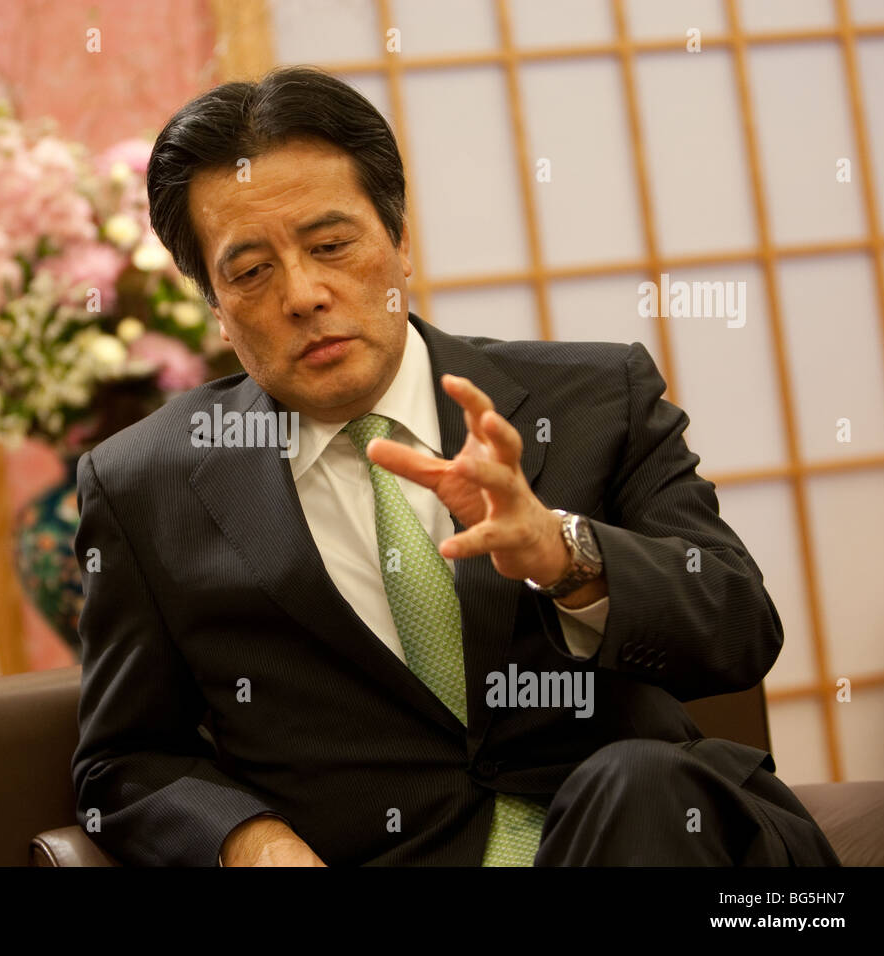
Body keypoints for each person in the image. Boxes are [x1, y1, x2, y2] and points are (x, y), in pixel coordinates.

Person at [69, 65, 839, 867]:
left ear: (400, 245)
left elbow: (739, 628)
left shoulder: (595, 397)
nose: (304, 294)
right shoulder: (148, 484)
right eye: (251, 272)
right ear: (216, 310)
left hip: (661, 838)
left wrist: (563, 553)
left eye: (332, 245)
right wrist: (250, 843)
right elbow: (122, 761)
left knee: (638, 782)